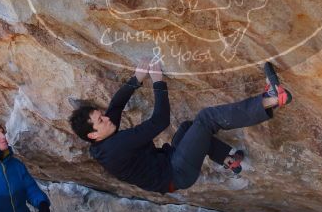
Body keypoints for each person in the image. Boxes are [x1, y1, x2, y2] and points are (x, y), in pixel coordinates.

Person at [69, 60, 292, 193]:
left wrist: (136, 78)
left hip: (171, 163)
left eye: (102, 116)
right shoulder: (115, 148)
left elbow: (116, 105)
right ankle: (272, 98)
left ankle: (229, 159)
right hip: (177, 173)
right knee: (207, 118)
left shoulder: (102, 138)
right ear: (93, 134)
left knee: (188, 128)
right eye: (101, 121)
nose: (107, 118)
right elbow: (160, 121)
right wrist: (158, 82)